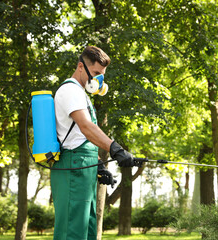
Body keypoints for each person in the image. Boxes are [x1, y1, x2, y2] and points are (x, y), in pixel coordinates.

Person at [51, 46, 135, 240]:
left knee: (87, 231)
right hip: (72, 168)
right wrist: (116, 149)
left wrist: (98, 165)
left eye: (102, 75)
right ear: (81, 66)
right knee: (72, 232)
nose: (99, 80)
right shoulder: (70, 90)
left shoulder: (81, 94)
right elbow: (86, 127)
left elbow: (78, 138)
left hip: (82, 168)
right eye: (96, 73)